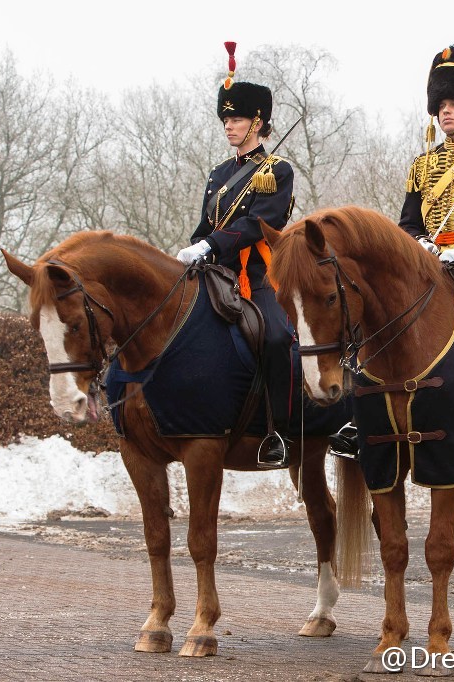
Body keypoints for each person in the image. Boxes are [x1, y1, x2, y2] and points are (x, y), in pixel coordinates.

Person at [328, 43, 454, 460]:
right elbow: (407, 223)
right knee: (364, 318)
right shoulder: (421, 166)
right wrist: (418, 245)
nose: (445, 113)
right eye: (441, 105)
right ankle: (356, 419)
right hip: (424, 263)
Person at [177, 42, 296, 468]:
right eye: (226, 118)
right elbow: (205, 226)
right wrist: (189, 251)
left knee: (278, 336)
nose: (229, 126)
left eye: (237, 118)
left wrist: (211, 245)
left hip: (258, 275)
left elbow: (257, 225)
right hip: (213, 272)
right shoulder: (219, 174)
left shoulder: (276, 170)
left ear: (257, 122)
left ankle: (278, 430)